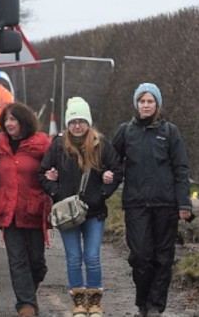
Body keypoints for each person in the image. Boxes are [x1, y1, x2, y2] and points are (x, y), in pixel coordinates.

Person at [112, 83, 192, 317]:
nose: (145, 105)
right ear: (136, 104)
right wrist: (107, 177)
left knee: (163, 258)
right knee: (140, 256)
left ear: (157, 104)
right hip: (136, 204)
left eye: (150, 101)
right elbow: (112, 161)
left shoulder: (170, 132)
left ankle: (155, 306)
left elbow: (181, 168)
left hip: (165, 205)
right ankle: (142, 301)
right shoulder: (125, 131)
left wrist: (184, 203)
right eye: (142, 101)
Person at [39, 97, 123, 317]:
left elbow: (117, 170)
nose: (77, 125)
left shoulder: (101, 144)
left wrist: (105, 191)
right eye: (73, 121)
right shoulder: (58, 145)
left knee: (92, 257)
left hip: (95, 212)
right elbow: (42, 173)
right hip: (68, 213)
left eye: (82, 121)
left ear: (89, 122)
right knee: (74, 258)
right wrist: (55, 191)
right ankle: (78, 302)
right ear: (68, 123)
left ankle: (95, 303)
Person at [0, 102, 50, 317]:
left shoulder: (41, 145)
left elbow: (53, 168)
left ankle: (32, 285)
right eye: (6, 120)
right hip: (9, 210)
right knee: (17, 259)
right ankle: (26, 305)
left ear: (24, 121)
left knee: (36, 260)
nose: (8, 124)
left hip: (34, 208)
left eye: (13, 119)